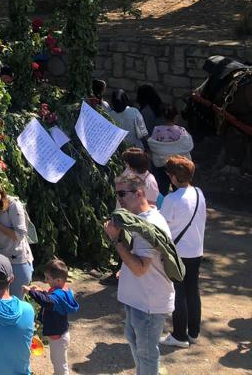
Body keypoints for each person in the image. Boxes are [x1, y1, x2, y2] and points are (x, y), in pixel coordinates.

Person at [103, 171, 175, 375]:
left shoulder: (148, 225)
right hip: (140, 299)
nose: (119, 199)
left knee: (146, 354)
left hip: (148, 303)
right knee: (138, 347)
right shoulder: (140, 220)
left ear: (140, 193)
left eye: (122, 194)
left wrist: (115, 239)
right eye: (117, 195)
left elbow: (140, 268)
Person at [158, 155, 206, 348]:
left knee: (179, 292)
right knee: (193, 290)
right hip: (196, 249)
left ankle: (179, 335)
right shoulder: (199, 193)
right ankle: (194, 332)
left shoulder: (171, 199)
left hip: (178, 252)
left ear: (174, 177)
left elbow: (162, 225)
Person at [23, 259, 79, 375]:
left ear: (58, 280)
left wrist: (31, 293)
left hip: (58, 337)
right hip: (60, 334)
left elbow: (47, 302)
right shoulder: (62, 291)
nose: (46, 281)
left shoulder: (57, 296)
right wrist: (41, 291)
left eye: (48, 278)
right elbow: (50, 297)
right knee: (58, 361)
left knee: (59, 364)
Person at [147, 108, 193, 194]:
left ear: (164, 117)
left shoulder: (157, 130)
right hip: (178, 165)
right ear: (176, 117)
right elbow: (187, 144)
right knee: (179, 190)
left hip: (162, 164)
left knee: (161, 189)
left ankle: (162, 205)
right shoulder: (181, 130)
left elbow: (153, 145)